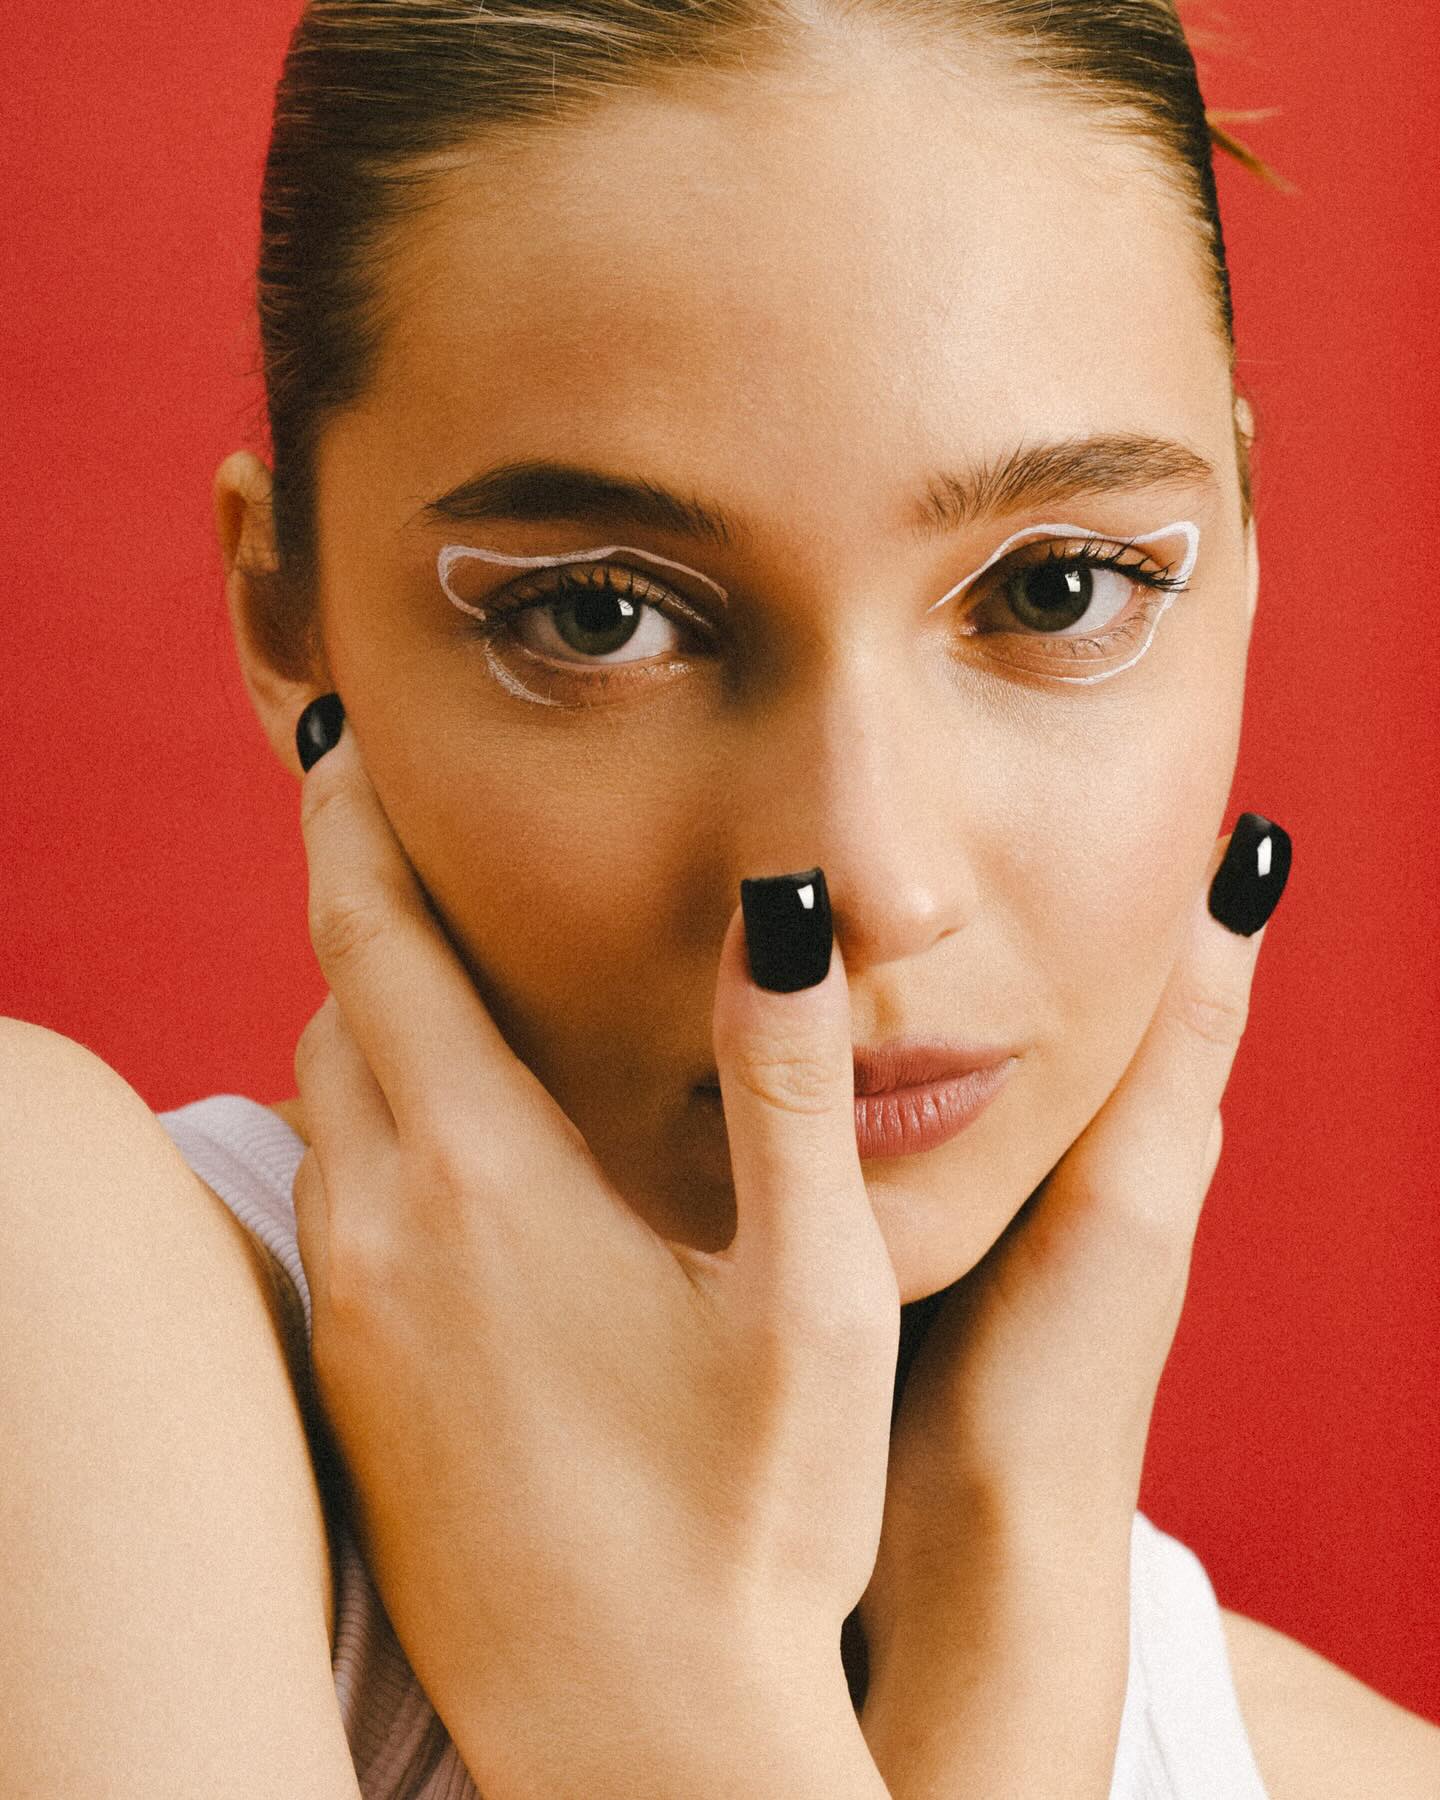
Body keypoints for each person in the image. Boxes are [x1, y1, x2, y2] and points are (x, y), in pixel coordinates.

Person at [3, 1, 1436, 1795]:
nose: (881, 887)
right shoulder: (42, 1312)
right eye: (599, 618)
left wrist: (1008, 1665)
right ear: (289, 618)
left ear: (1242, 545)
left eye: (1060, 589)